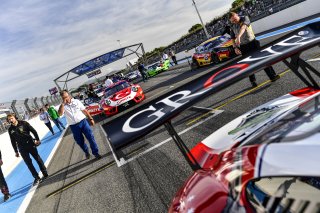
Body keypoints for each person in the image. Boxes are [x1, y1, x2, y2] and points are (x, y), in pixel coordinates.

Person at [229, 12, 280, 88]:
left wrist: (239, 36)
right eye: (232, 21)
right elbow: (232, 38)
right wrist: (235, 48)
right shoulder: (232, 26)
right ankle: (253, 81)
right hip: (243, 47)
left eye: (235, 19)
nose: (234, 21)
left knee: (262, 59)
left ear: (237, 15)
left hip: (253, 43)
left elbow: (243, 27)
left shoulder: (245, 18)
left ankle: (272, 76)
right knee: (248, 65)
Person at [58, 90, 101, 159]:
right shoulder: (62, 106)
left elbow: (84, 110)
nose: (65, 98)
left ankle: (96, 153)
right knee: (80, 142)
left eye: (66, 97)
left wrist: (91, 119)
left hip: (83, 122)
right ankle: (86, 151)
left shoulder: (76, 101)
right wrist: (63, 104)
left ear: (68, 95)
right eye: (63, 98)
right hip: (74, 126)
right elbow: (59, 114)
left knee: (91, 137)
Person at [7, 113, 48, 186]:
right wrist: (16, 151)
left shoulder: (24, 123)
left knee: (37, 158)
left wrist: (37, 139)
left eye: (12, 118)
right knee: (28, 163)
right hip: (21, 147)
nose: (11, 120)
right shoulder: (10, 129)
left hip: (30, 144)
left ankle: (44, 172)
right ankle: (36, 177)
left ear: (15, 117)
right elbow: (12, 141)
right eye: (9, 119)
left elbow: (33, 131)